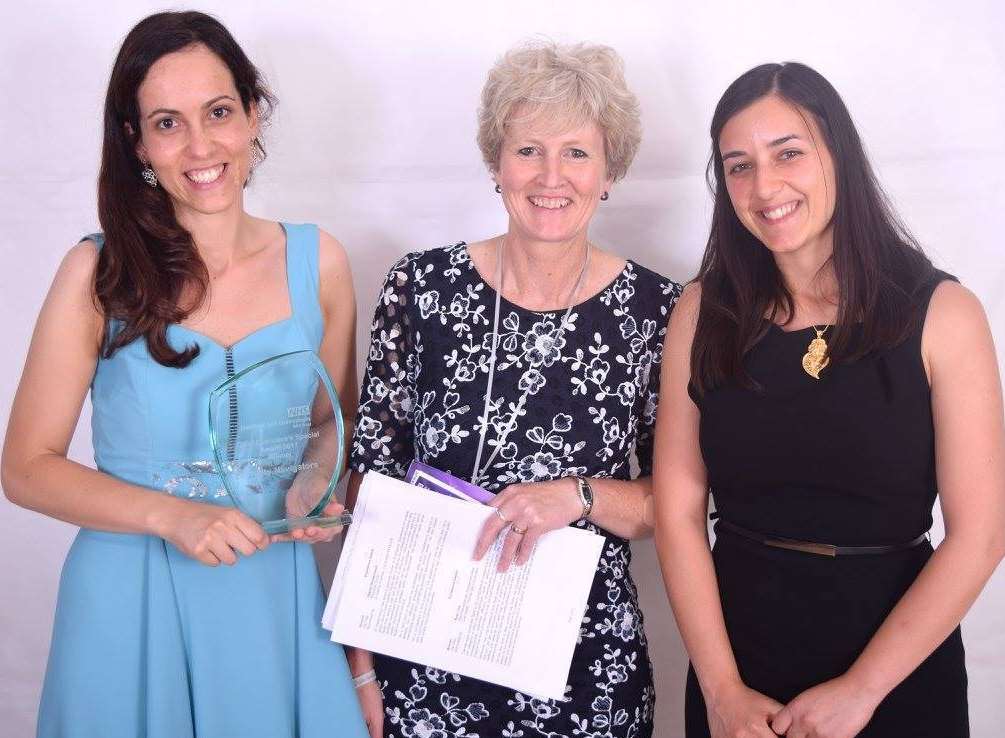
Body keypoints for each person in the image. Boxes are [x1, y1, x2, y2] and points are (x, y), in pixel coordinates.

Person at [1, 11, 368, 738]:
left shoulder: (318, 261)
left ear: (253, 113)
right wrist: (173, 516)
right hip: (128, 598)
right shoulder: (95, 272)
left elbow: (334, 419)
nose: (202, 146)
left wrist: (315, 482)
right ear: (136, 142)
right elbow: (24, 468)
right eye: (168, 123)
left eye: (219, 112)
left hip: (271, 595)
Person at [652, 61, 1005, 738]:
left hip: (895, 667)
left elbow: (979, 536)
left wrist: (859, 692)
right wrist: (721, 690)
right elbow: (675, 509)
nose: (763, 186)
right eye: (737, 166)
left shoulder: (942, 313)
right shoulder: (701, 312)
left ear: (837, 154)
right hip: (737, 661)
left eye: (787, 153)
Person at [346, 41, 681, 738]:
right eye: (528, 150)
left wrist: (580, 495)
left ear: (610, 171)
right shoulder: (421, 288)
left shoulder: (658, 312)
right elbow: (369, 481)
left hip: (586, 671)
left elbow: (675, 505)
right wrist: (361, 665)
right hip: (423, 661)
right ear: (496, 164)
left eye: (577, 153)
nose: (550, 176)